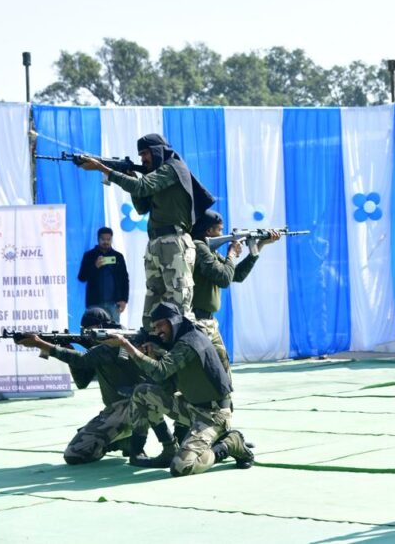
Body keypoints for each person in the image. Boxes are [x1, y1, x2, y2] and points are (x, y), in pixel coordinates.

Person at [100, 301, 254, 477]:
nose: (157, 331)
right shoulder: (176, 343)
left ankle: (229, 444)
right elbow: (166, 385)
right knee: (142, 393)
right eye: (154, 328)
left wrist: (126, 345)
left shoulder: (190, 341)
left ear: (173, 321)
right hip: (190, 407)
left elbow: (161, 371)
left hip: (213, 414)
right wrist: (151, 356)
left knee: (182, 466)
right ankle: (167, 448)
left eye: (160, 325)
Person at [77, 134, 214, 329]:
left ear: (158, 150)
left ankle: (187, 346)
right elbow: (141, 206)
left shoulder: (173, 168)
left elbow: (142, 187)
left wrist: (103, 168)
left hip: (174, 242)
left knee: (179, 303)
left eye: (145, 154)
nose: (143, 159)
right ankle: (152, 347)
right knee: (153, 305)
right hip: (157, 244)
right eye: (140, 155)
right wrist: (130, 176)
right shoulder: (158, 174)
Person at [14, 308, 174, 465]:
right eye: (85, 332)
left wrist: (41, 344)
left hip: (131, 407)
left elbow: (83, 360)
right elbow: (82, 382)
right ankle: (122, 441)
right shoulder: (102, 350)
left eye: (91, 331)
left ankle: (126, 441)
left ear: (103, 327)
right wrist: (67, 348)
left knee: (75, 454)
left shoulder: (117, 344)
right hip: (117, 410)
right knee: (74, 454)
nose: (88, 335)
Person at [191, 210, 281, 374]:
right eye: (219, 230)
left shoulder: (208, 250)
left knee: (222, 373)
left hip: (208, 321)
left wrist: (259, 246)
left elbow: (236, 275)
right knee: (207, 372)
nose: (222, 234)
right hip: (197, 321)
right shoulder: (199, 246)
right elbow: (224, 278)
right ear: (208, 231)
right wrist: (232, 254)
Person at [76, 227, 129, 320]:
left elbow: (125, 279)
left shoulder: (118, 256)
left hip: (114, 304)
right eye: (103, 239)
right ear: (98, 239)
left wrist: (124, 300)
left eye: (108, 239)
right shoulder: (89, 256)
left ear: (111, 239)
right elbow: (82, 277)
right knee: (94, 331)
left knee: (114, 331)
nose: (106, 242)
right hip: (94, 303)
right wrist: (95, 266)